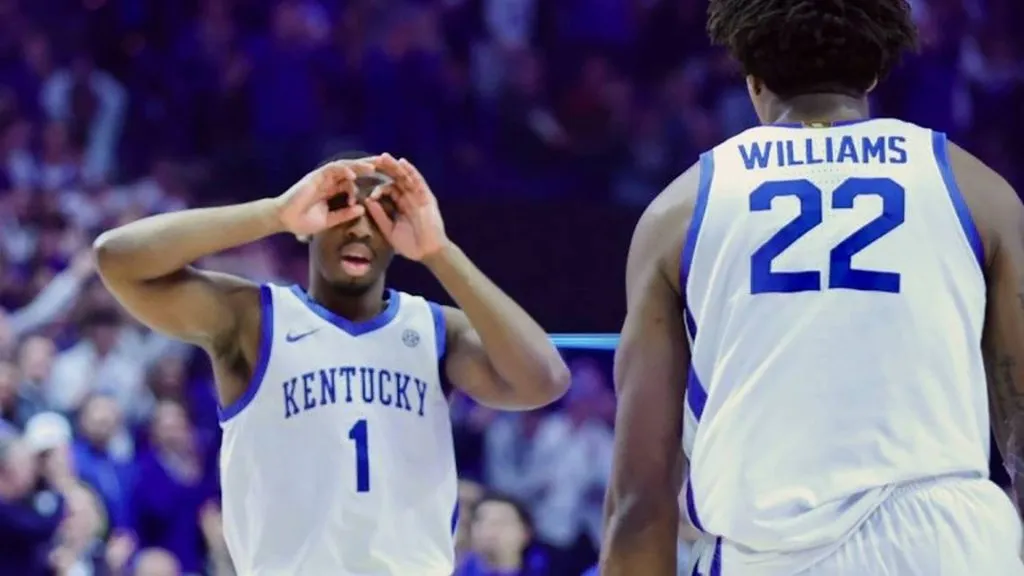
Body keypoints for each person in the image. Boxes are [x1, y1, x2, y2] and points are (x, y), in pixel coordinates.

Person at [600, 1, 1024, 575]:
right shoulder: (981, 192)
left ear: (752, 78)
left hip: (772, 554)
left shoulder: (676, 212)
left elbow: (640, 496)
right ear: (874, 72)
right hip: (950, 546)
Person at [94, 152, 569, 575]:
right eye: (342, 210)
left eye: (379, 215)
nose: (360, 228)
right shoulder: (253, 320)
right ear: (311, 223)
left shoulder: (435, 328)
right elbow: (116, 258)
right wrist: (274, 213)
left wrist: (440, 252)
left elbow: (545, 380)